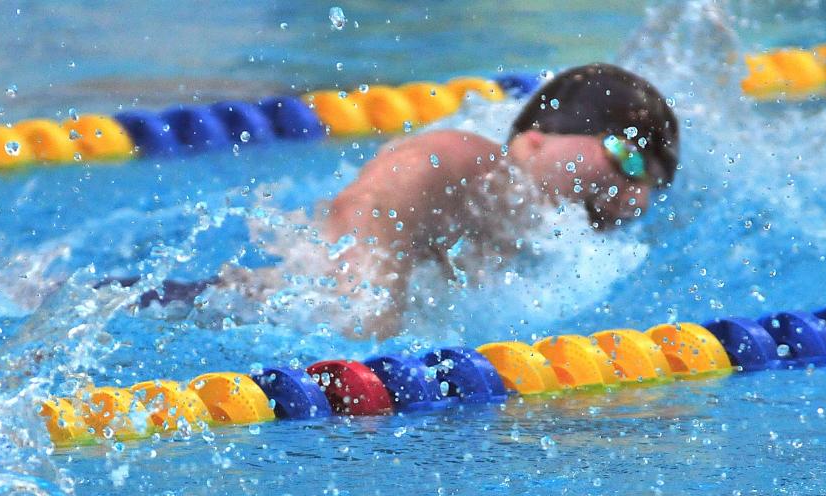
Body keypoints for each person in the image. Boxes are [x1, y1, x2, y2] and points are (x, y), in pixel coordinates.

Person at [122, 63, 679, 339]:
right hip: (223, 307)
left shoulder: (544, 237)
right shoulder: (476, 163)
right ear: (536, 139)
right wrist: (372, 302)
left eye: (652, 184)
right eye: (627, 160)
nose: (635, 196)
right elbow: (380, 193)